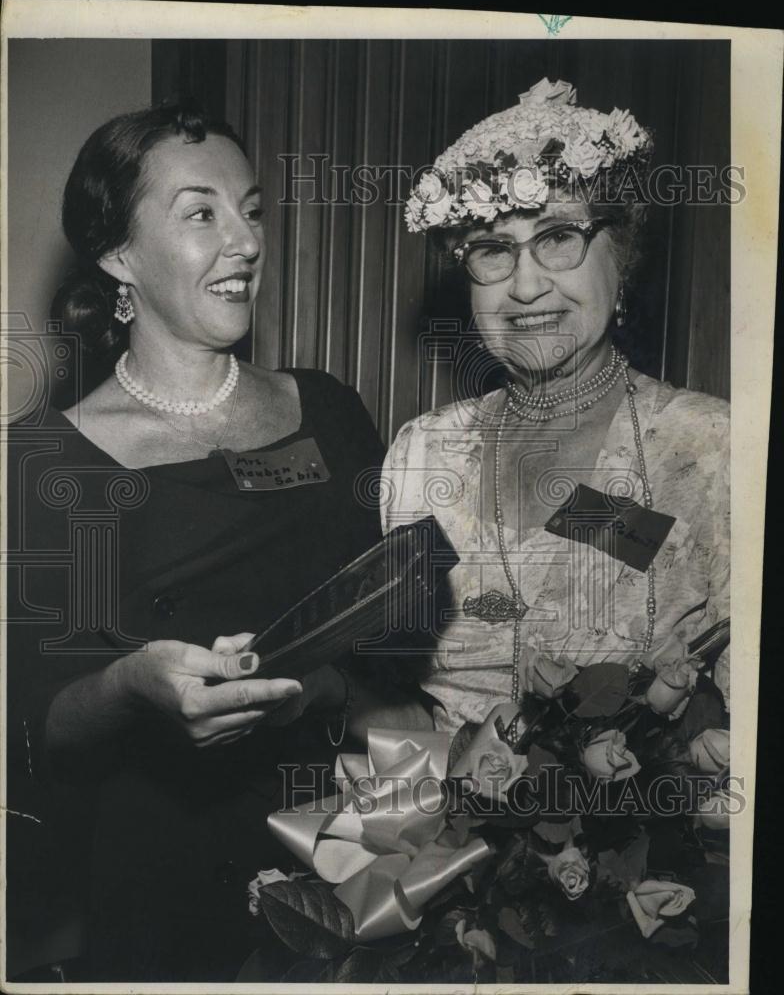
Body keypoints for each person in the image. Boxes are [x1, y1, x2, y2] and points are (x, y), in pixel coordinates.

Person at [5, 102, 423, 982]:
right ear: (119, 256)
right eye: (202, 213)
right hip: (165, 868)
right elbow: (48, 732)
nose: (245, 241)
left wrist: (317, 689)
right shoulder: (46, 458)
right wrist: (130, 684)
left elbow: (400, 643)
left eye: (254, 209)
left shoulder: (331, 408)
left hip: (356, 832)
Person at [384, 78, 730, 738]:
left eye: (558, 237)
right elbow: (388, 694)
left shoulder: (714, 450)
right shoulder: (421, 452)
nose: (526, 284)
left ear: (620, 255)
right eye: (493, 249)